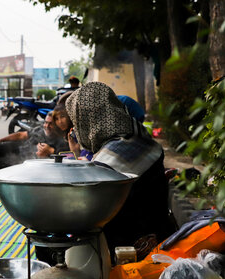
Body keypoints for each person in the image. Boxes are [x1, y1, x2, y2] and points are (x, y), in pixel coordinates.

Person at [65, 81, 176, 251]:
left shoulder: (111, 157)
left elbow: (94, 211)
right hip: (161, 234)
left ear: (86, 121)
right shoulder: (138, 137)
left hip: (131, 249)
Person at [0, 112, 68, 170]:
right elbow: (21, 135)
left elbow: (67, 158)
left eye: (51, 124)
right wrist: (0, 140)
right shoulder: (40, 129)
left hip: (25, 161)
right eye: (46, 122)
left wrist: (51, 151)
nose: (47, 126)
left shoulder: (62, 139)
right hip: (21, 148)